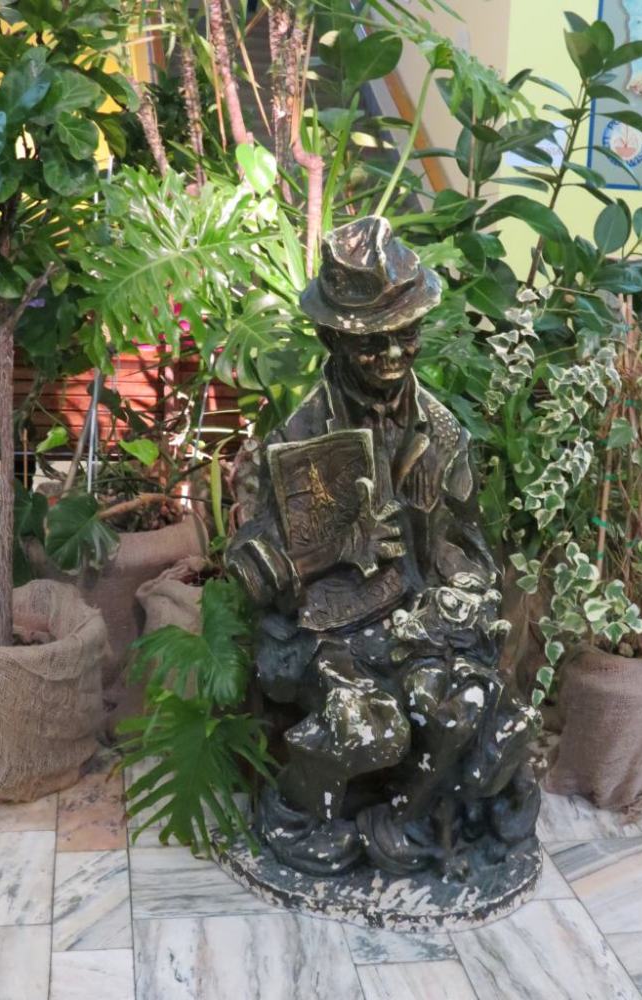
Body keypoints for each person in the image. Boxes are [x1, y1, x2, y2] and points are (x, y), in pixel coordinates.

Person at [227, 216, 538, 877]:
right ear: (333, 338)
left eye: (407, 335)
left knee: (471, 712)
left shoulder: (441, 432)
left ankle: (408, 820)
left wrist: (447, 565)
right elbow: (251, 567)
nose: (394, 355)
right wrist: (331, 551)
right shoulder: (298, 435)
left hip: (416, 623)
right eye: (372, 344)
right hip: (328, 631)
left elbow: (472, 550)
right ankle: (294, 811)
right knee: (372, 726)